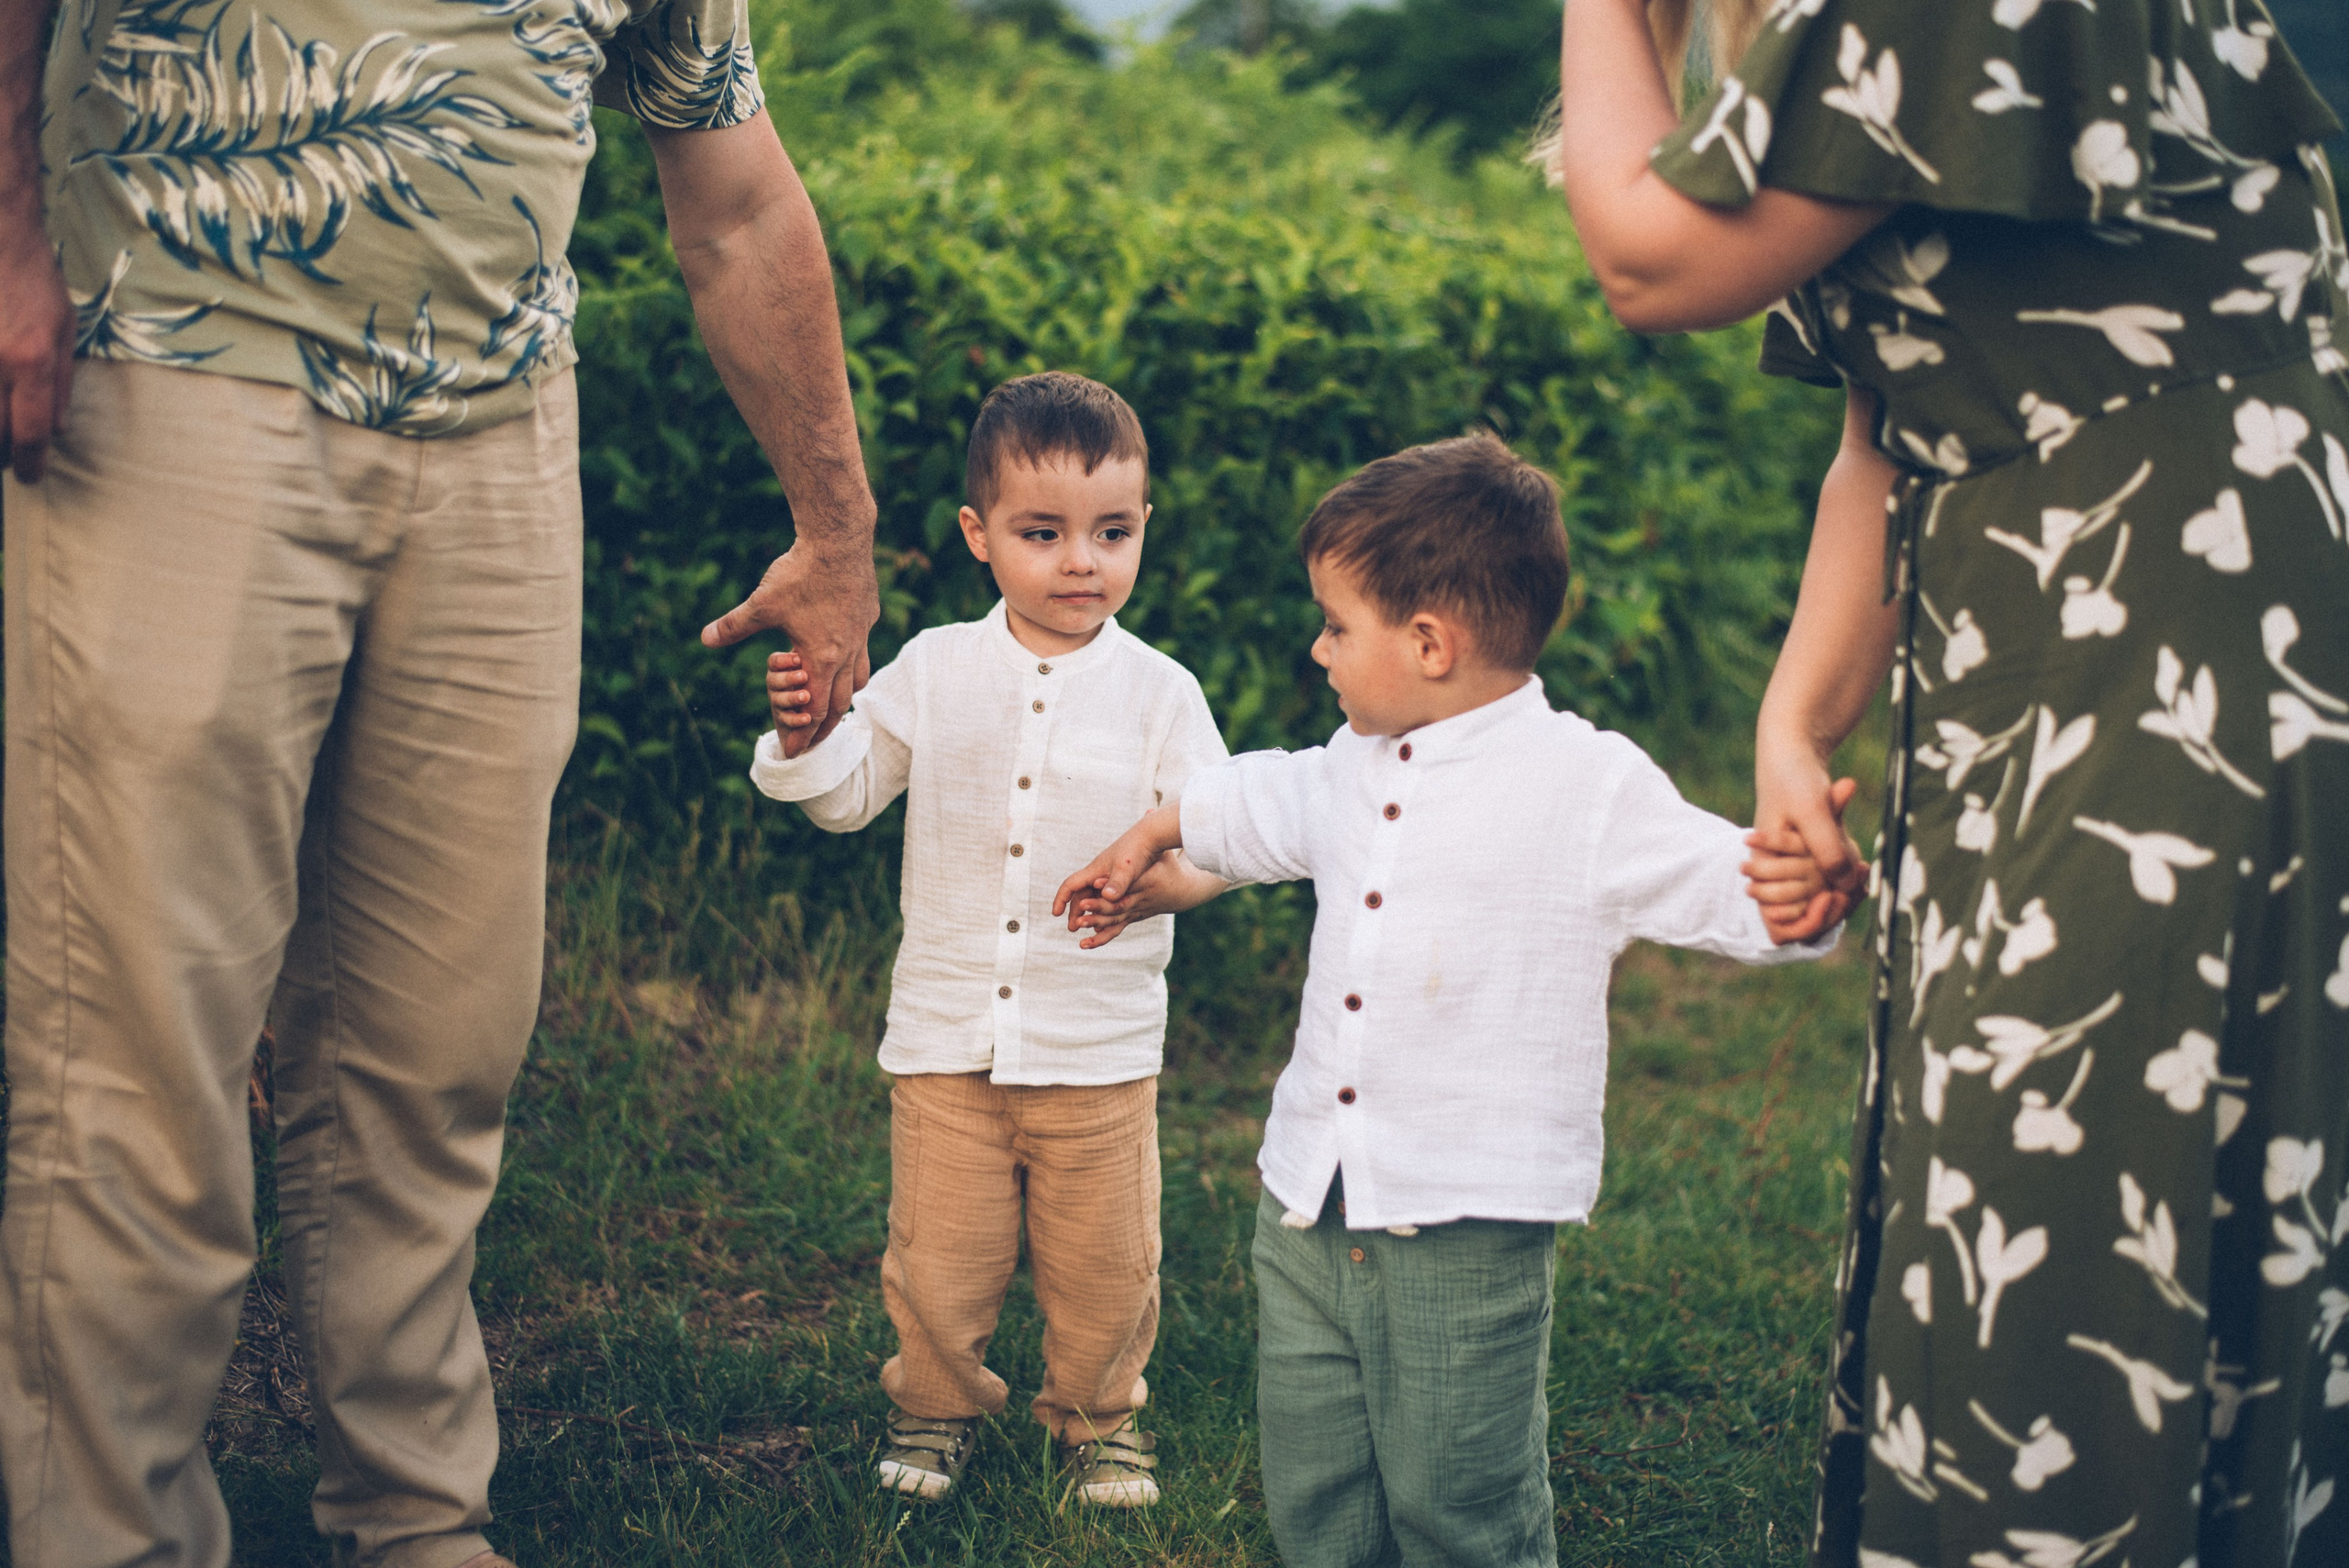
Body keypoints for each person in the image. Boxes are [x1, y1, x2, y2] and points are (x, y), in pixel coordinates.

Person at [0, 1, 878, 1563]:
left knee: (440, 1036)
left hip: (499, 435)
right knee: (142, 1045)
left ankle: (416, 1517)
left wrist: (836, 529)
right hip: (174, 378)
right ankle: (110, 1532)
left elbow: (736, 196)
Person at [1549, 0, 2349, 1563]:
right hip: (2048, 647)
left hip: (2189, 636)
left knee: (2084, 1192)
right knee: (2013, 1182)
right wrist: (1799, 722)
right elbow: (1893, 423)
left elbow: (1651, 261)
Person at [1053, 432, 1841, 1568]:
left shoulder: (1584, 784)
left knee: (1459, 1506)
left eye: (1334, 624)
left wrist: (1798, 894)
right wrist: (1149, 843)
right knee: (1319, 1495)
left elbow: (1723, 886)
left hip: (1466, 1224)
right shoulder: (1353, 758)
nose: (1315, 646)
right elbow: (1251, 800)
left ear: (1428, 642)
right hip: (1310, 1206)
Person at [751, 373, 1228, 1506]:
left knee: (1106, 1265)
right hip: (945, 1038)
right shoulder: (937, 666)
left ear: (1143, 528)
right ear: (979, 534)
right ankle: (935, 1405)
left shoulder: (1161, 693)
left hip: (1098, 1047)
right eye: (1043, 533)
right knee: (937, 1260)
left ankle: (1099, 1419)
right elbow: (849, 796)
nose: (1081, 561)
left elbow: (1217, 837)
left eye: (1112, 533)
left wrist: (1163, 887)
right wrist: (808, 730)